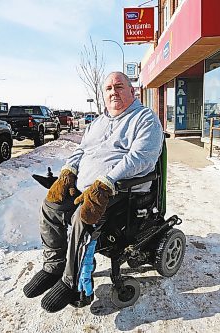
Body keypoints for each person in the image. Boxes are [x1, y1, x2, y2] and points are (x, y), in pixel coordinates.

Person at [23, 71, 164, 313]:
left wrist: (108, 181)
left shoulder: (145, 119)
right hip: (89, 188)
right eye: (108, 89)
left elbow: (141, 158)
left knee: (83, 217)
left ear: (132, 91)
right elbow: (81, 152)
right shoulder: (98, 122)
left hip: (123, 191)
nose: (113, 92)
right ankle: (54, 264)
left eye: (119, 86)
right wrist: (68, 171)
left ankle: (72, 283)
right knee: (51, 206)